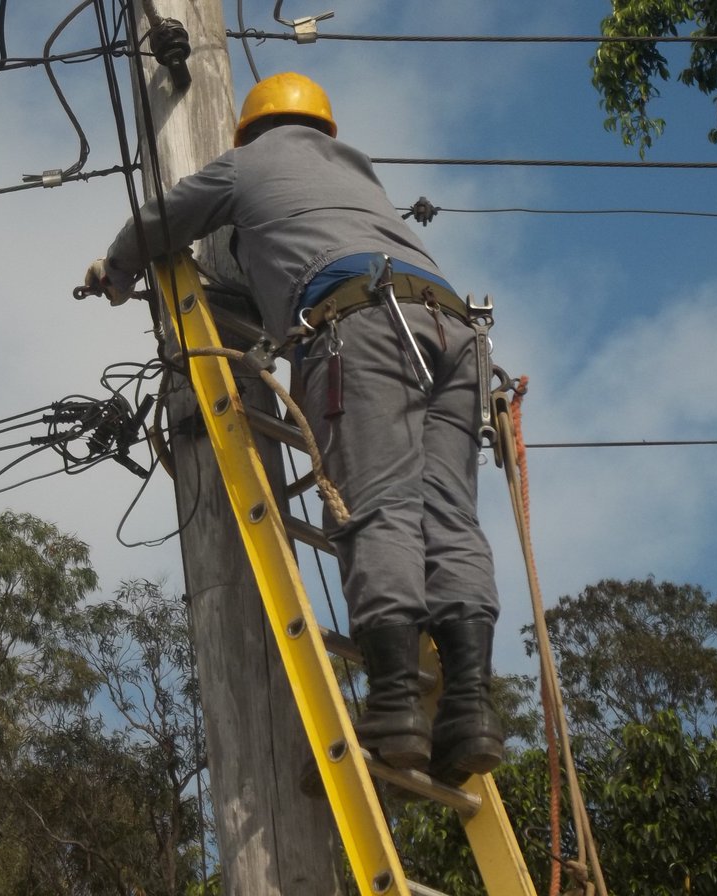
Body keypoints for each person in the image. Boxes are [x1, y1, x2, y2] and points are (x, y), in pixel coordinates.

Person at [84, 72, 503, 785]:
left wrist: (116, 269)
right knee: (451, 521)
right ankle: (469, 710)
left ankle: (398, 707)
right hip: (457, 333)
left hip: (366, 329)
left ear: (248, 129)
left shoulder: (247, 164)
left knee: (382, 509)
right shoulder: (357, 172)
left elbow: (160, 220)